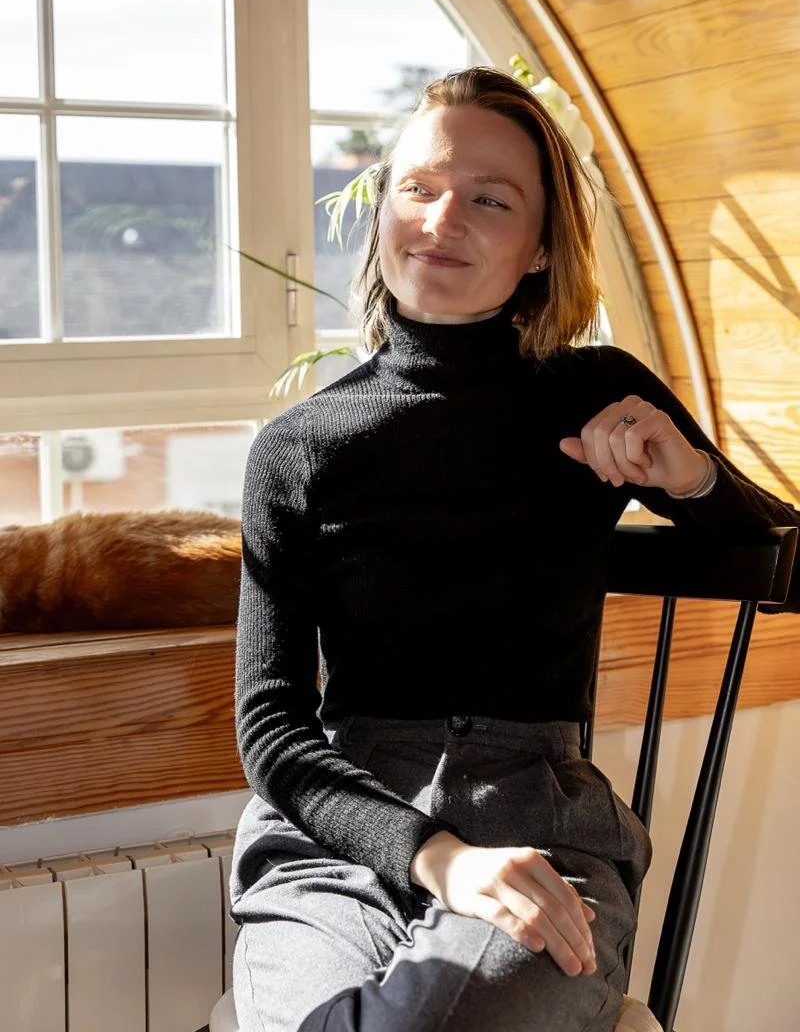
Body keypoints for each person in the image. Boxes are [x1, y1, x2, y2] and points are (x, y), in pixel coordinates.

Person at [228, 66, 800, 1032]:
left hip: (542, 827)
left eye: (490, 198)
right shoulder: (296, 450)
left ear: (540, 249)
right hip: (338, 841)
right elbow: (273, 730)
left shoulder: (594, 395)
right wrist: (437, 857)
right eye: (419, 187)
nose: (443, 217)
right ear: (384, 212)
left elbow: (788, 558)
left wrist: (692, 478)